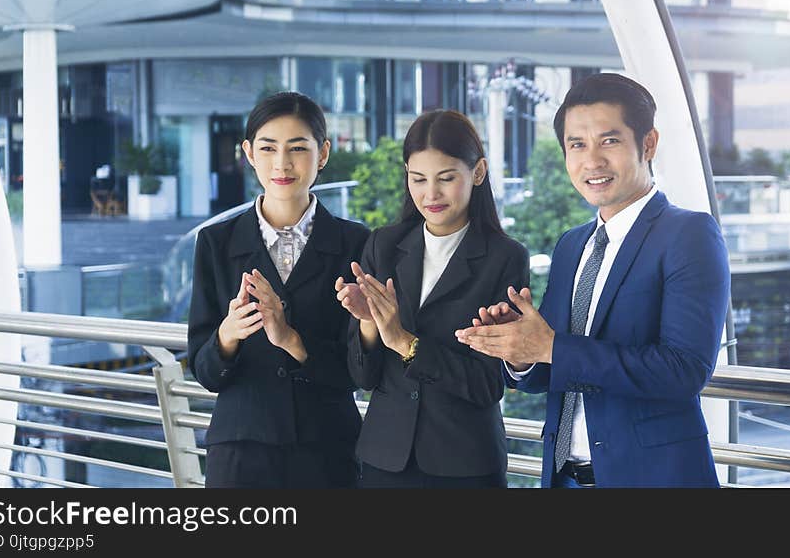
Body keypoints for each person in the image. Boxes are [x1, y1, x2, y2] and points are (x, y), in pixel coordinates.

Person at [455, 73, 730, 488]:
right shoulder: (572, 245)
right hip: (564, 479)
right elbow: (555, 368)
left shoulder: (689, 235)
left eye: (610, 141)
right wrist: (521, 353)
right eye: (577, 145)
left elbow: (684, 370)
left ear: (648, 143)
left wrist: (551, 347)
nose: (592, 161)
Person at [335, 110, 529, 488]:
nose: (430, 194)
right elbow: (362, 376)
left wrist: (406, 343)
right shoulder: (383, 245)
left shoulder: (505, 258)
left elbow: (488, 386)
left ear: (478, 172)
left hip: (466, 464)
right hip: (384, 461)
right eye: (418, 179)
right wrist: (369, 323)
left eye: (446, 178)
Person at [187, 92, 369, 488]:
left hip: (328, 452)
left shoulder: (357, 244)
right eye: (268, 148)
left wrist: (291, 339)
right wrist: (227, 334)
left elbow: (361, 371)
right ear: (249, 153)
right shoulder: (216, 243)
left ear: (322, 154)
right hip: (240, 454)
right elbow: (204, 371)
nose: (281, 163)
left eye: (297, 148)